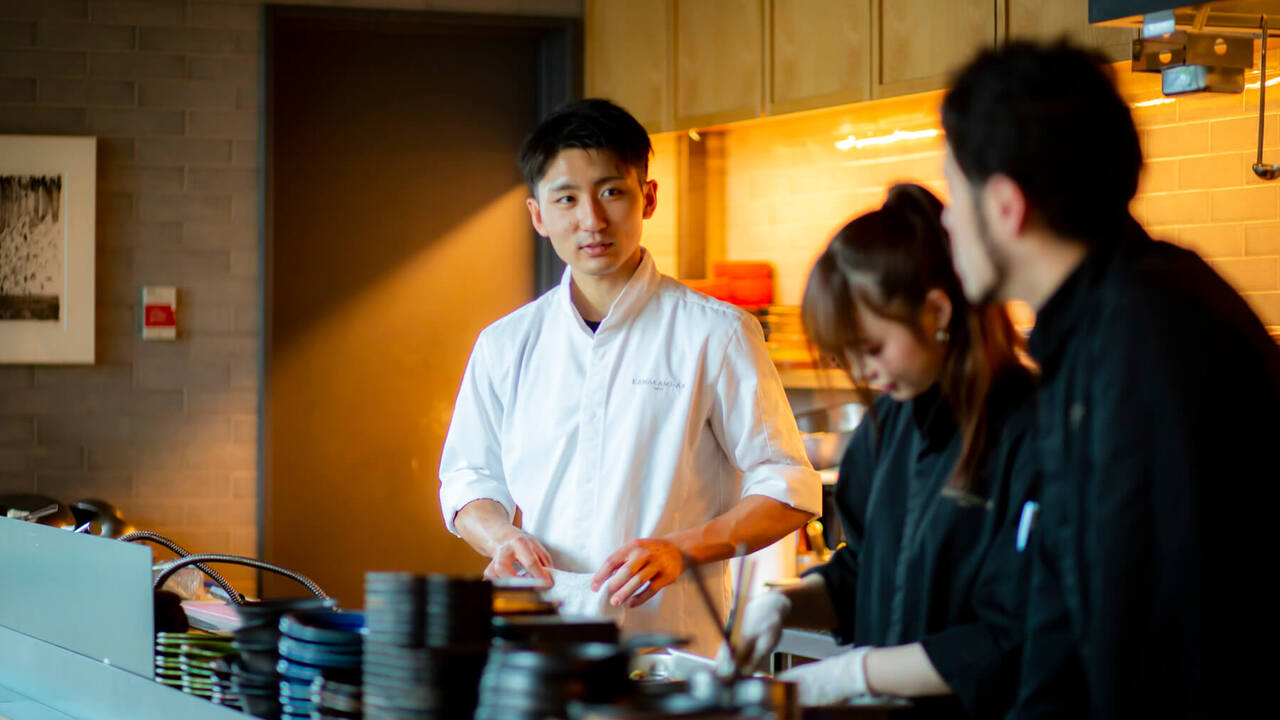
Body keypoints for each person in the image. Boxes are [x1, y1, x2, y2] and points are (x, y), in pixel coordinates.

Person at [939, 41, 1280, 719]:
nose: (947, 218)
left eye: (954, 192)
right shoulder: (1100, 324)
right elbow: (1070, 611)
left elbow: (1165, 643)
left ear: (1005, 207)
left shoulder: (1145, 338)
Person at [438, 98, 821, 656]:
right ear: (538, 216)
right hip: (538, 645)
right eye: (566, 198)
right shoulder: (505, 343)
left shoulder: (717, 333)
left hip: (673, 650)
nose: (591, 220)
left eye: (611, 191)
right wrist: (503, 537)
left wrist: (681, 548)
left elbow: (787, 486)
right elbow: (467, 478)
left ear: (649, 196)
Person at [732, 184, 1039, 717]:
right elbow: (864, 574)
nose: (861, 371)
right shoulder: (889, 426)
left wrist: (855, 673)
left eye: (871, 348)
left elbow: (1010, 637)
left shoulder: (1028, 428)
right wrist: (783, 605)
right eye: (844, 355)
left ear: (937, 311)